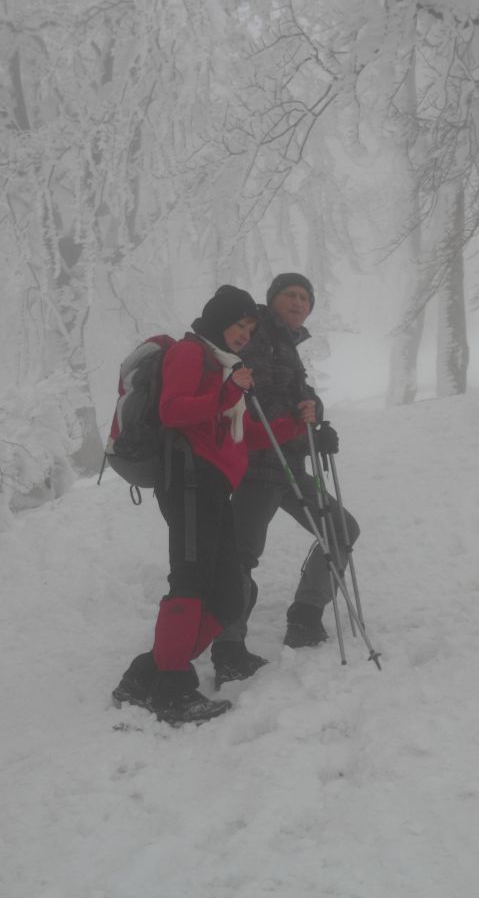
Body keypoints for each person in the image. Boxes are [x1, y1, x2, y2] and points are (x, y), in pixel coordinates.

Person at [112, 286, 312, 725]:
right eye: (240, 324)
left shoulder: (222, 366)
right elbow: (173, 412)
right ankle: (171, 691)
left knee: (223, 594)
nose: (244, 333)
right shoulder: (190, 353)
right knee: (191, 582)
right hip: (186, 480)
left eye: (249, 327)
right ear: (220, 319)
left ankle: (145, 674)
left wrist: (293, 425)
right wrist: (228, 393)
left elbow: (237, 435)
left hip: (211, 486)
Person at [210, 273, 360, 687]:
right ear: (273, 300)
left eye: (305, 299)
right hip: (258, 466)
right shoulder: (257, 336)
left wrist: (317, 423)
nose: (298, 303)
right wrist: (298, 420)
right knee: (242, 554)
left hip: (289, 464)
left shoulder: (286, 346)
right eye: (290, 295)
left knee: (341, 528)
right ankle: (228, 645)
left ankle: (306, 615)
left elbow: (297, 396)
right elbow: (250, 397)